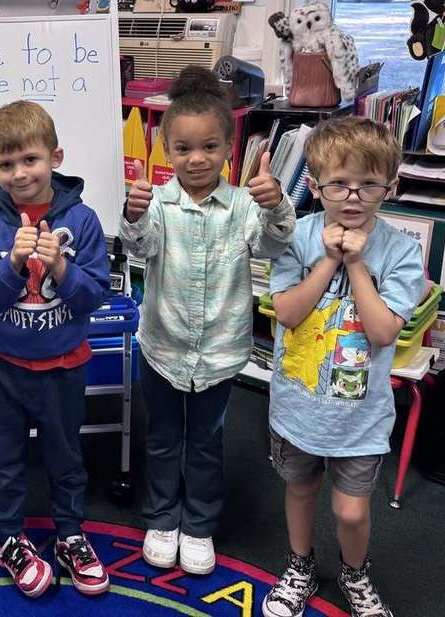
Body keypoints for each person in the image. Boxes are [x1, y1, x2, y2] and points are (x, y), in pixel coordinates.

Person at [118, 65, 295, 575]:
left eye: (209, 147)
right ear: (167, 150)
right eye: (183, 149)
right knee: (162, 438)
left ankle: (198, 524)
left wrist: (277, 206)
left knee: (205, 441)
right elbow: (139, 248)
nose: (196, 159)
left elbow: (272, 246)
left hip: (217, 352)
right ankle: (162, 518)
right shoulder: (158, 203)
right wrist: (132, 216)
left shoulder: (242, 206)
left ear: (228, 148)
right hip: (162, 346)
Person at [262, 117, 424, 617]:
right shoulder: (297, 236)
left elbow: (382, 332)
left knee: (351, 511)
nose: (352, 197)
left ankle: (355, 573)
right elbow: (287, 312)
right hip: (298, 406)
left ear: (390, 186)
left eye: (368, 185)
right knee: (300, 489)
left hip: (361, 417)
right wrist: (330, 260)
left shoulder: (401, 251)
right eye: (338, 184)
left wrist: (356, 263)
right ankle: (301, 565)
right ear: (315, 186)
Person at [0, 100, 112, 598]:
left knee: (66, 456)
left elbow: (95, 296)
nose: (20, 173)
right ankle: (10, 537)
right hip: (3, 368)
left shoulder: (83, 222)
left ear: (56, 157)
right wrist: (11, 264)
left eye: (30, 159)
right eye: (6, 164)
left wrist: (62, 268)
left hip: (63, 367)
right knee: (4, 460)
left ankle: (70, 534)